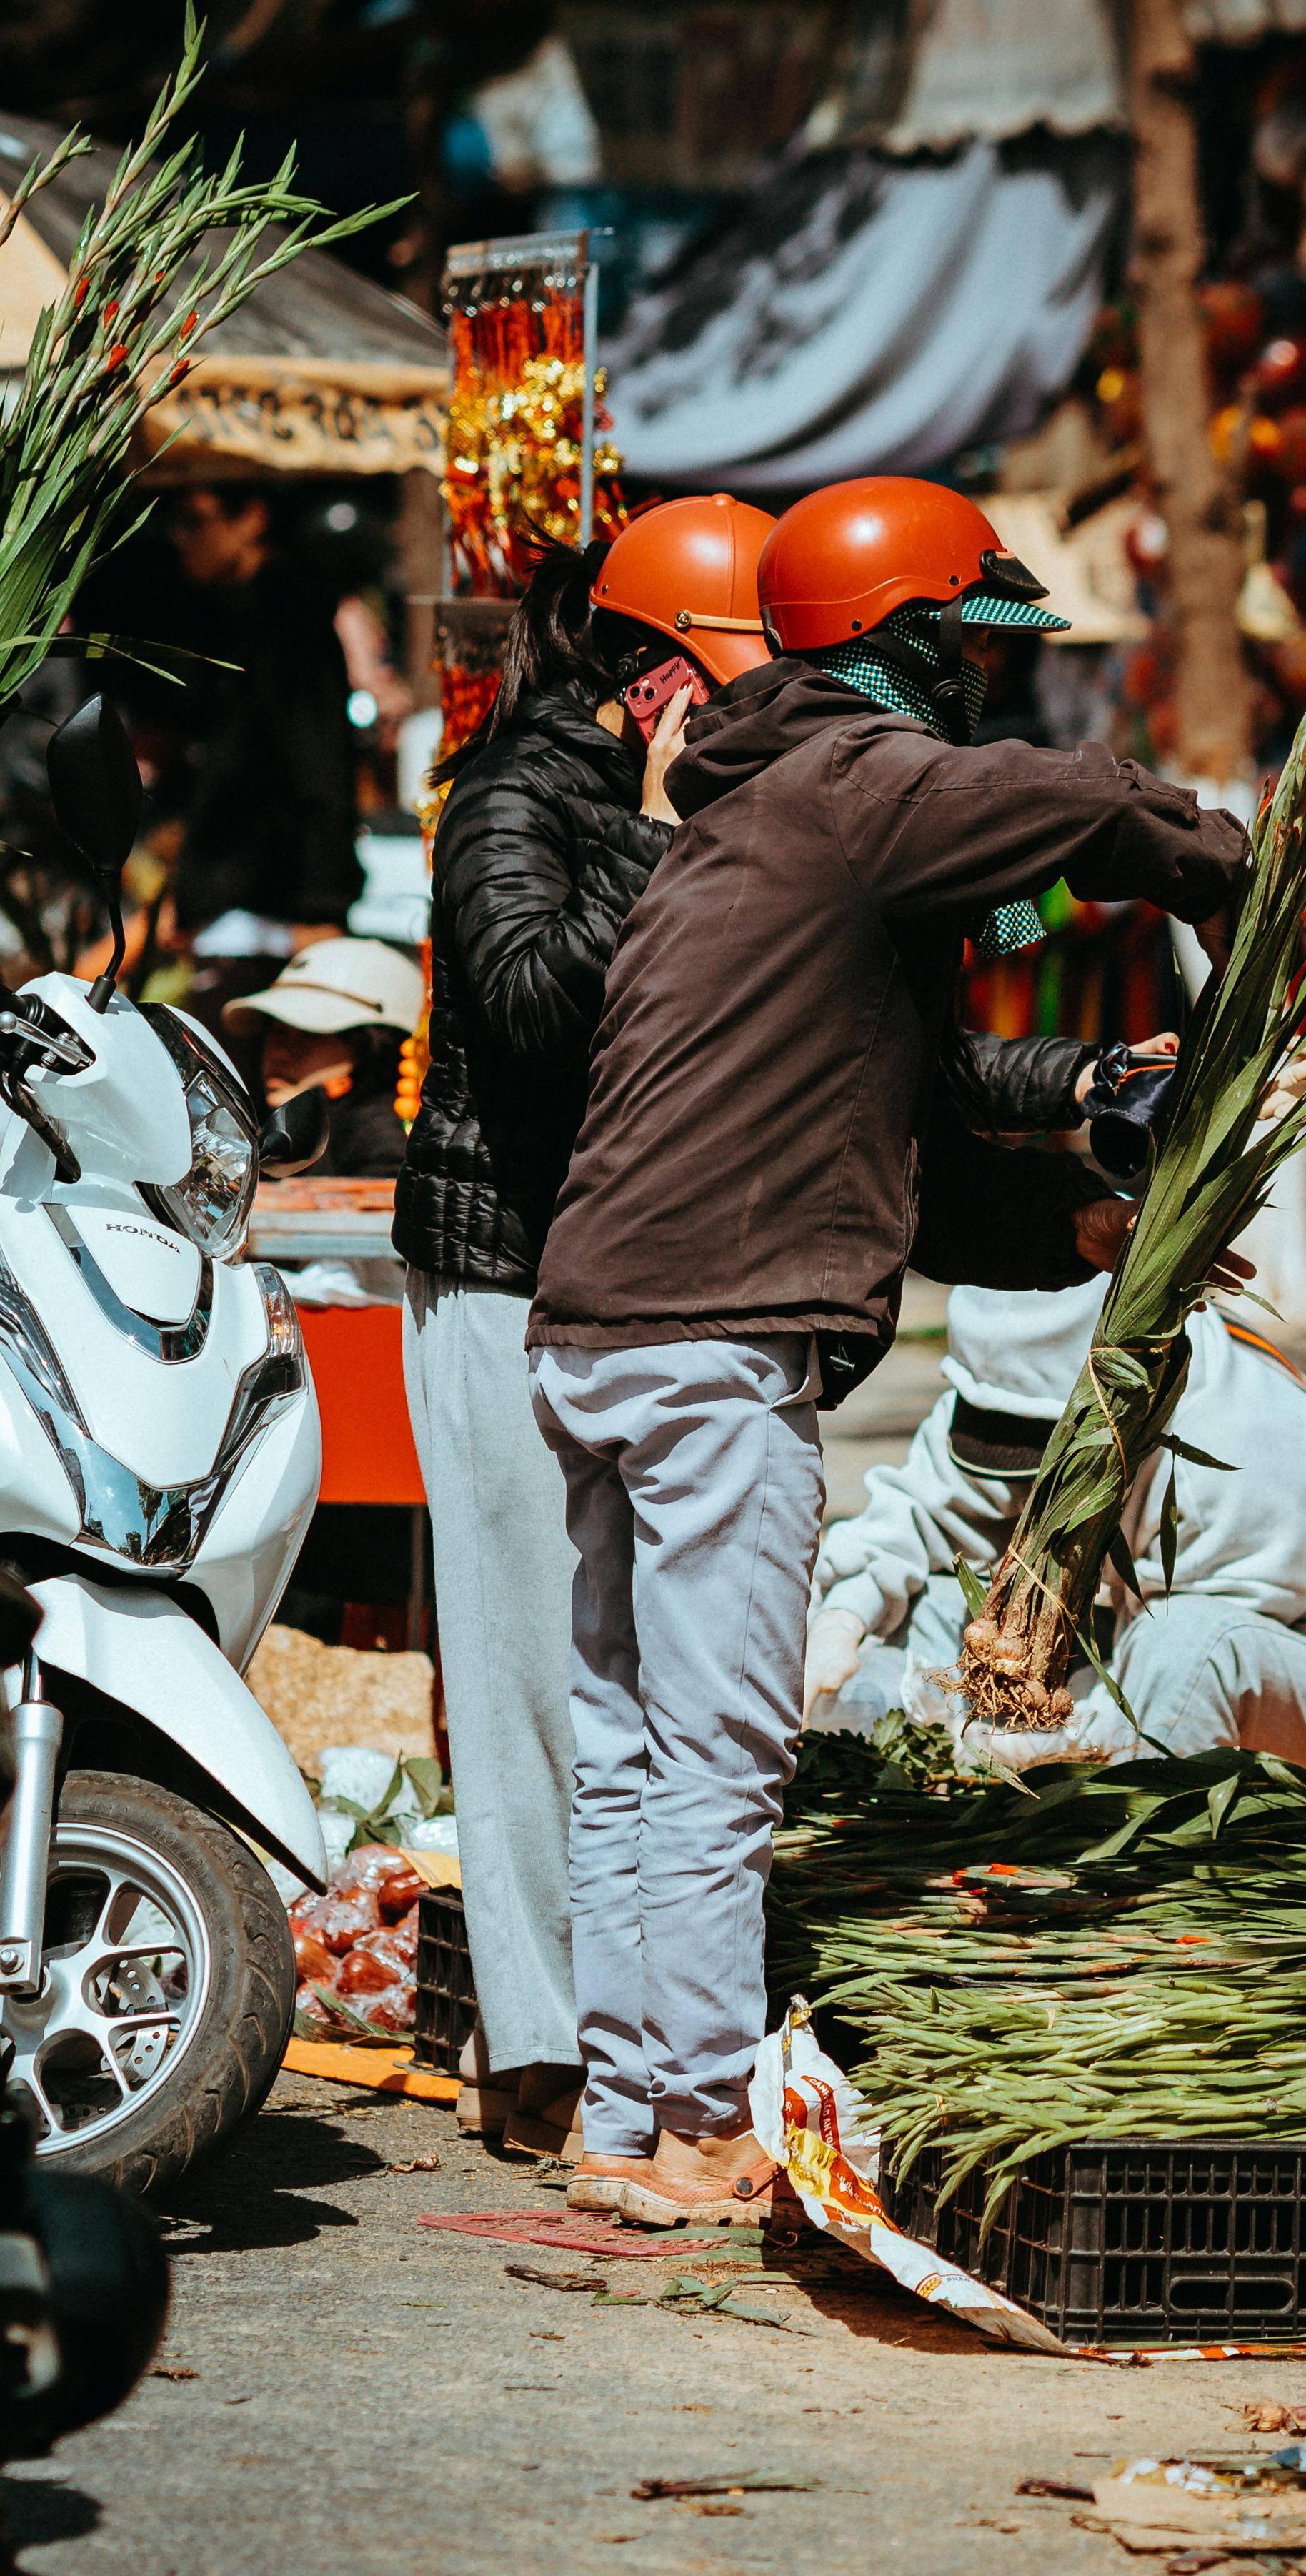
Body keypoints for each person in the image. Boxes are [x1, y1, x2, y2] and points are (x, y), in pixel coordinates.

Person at [527, 477, 1251, 2227]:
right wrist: (1234, 859)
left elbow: (906, 1141)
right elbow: (1070, 804)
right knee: (715, 1750)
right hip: (710, 1348)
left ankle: (618, 2116)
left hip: (599, 1325)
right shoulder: (851, 784)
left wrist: (1082, 1224)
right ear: (909, 639)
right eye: (975, 646)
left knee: (630, 1742)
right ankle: (702, 2118)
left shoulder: (749, 814)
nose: (995, 687)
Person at [393, 497, 773, 2160]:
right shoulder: (510, 793)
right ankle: (538, 2048)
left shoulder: (678, 798)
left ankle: (612, 2051)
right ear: (656, 679)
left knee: (613, 1683)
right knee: (529, 1672)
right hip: (497, 1275)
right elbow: (541, 1009)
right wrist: (658, 829)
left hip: (628, 1285)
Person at [802, 1280, 1306, 1768]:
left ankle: (1096, 1837)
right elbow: (924, 1510)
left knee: (1194, 1645)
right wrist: (845, 1615)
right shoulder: (1010, 1386)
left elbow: (1194, 1663)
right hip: (1146, 1644)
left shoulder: (1239, 1436)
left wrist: (1071, 1732)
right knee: (934, 1604)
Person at [149, 479, 361, 957]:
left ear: (252, 519)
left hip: (278, 918)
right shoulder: (227, 616)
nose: (180, 538)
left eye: (194, 521)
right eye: (175, 524)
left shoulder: (289, 621)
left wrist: (323, 910)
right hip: (232, 911)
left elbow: (318, 766)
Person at [224, 931, 427, 1179]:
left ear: (374, 1049)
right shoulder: (265, 1135)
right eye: (277, 1031)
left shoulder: (380, 1139)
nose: (281, 1053)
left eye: (311, 1034)